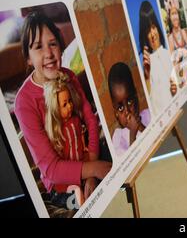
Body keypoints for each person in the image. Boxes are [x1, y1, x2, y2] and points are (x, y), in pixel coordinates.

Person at [15, 12, 111, 210]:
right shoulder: (24, 102)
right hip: (61, 185)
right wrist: (93, 169)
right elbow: (50, 168)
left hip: (87, 160)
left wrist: (91, 173)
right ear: (28, 59)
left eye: (53, 44)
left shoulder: (68, 76)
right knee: (81, 204)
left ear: (60, 47)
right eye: (38, 47)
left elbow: (91, 120)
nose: (48, 53)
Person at [44, 72, 88, 207]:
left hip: (80, 163)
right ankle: (72, 198)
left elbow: (80, 133)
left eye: (69, 101)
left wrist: (84, 145)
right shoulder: (58, 131)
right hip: (66, 176)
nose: (69, 106)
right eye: (64, 104)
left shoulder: (75, 120)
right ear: (55, 109)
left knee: (85, 186)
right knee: (76, 192)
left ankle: (76, 198)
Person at [138, 1, 177, 117]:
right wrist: (147, 76)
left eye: (153, 27)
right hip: (161, 120)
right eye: (148, 31)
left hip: (175, 112)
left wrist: (175, 90)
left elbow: (176, 87)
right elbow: (150, 99)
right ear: (144, 35)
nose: (153, 34)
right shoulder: (147, 64)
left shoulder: (168, 53)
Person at [108, 62, 151, 157]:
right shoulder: (118, 138)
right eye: (120, 108)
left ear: (136, 98)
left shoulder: (148, 115)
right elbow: (130, 165)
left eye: (129, 102)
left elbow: (157, 140)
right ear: (116, 113)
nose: (127, 111)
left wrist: (140, 126)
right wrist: (133, 134)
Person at [164, 0, 187, 88]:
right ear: (170, 17)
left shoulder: (184, 32)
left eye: (176, 13)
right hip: (180, 77)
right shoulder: (170, 38)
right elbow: (173, 64)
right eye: (172, 14)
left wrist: (184, 55)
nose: (175, 17)